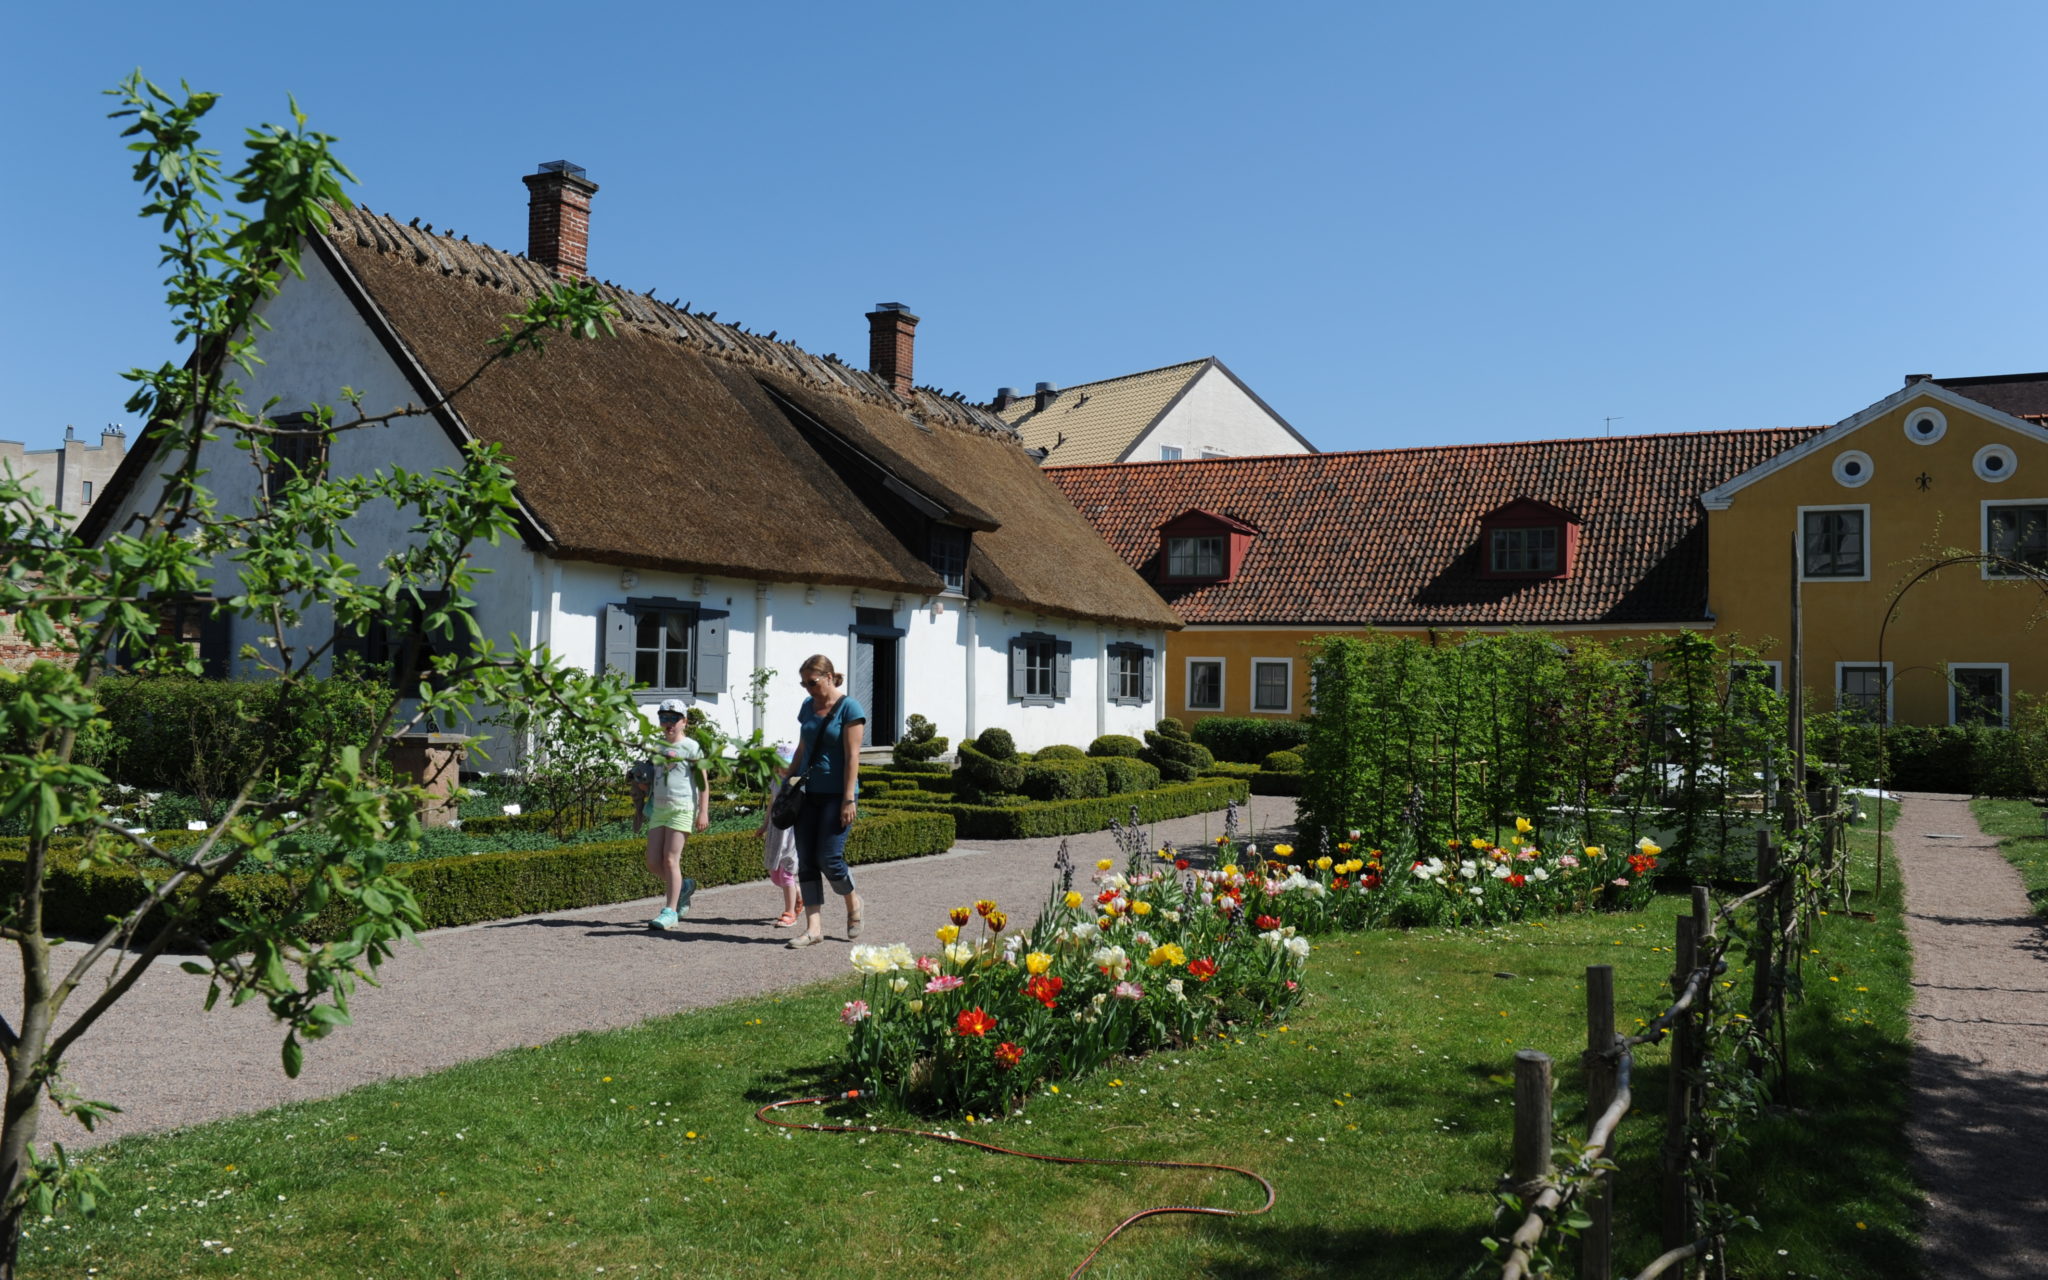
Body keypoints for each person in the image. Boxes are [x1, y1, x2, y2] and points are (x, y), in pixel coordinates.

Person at [782, 655, 865, 948]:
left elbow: (853, 756)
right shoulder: (808, 706)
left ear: (829, 676)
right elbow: (803, 746)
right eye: (804, 684)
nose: (808, 689)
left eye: (813, 682)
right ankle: (813, 929)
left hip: (836, 795)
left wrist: (848, 798)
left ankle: (853, 902)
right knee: (806, 860)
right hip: (807, 793)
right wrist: (787, 778)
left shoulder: (849, 708)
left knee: (829, 858)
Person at [637, 697, 708, 930]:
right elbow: (655, 779)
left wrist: (703, 812)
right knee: (652, 862)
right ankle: (684, 887)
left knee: (670, 859)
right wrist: (642, 784)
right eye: (663, 718)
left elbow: (703, 783)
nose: (668, 723)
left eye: (673, 719)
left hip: (682, 809)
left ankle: (670, 911)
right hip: (659, 808)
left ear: (684, 721)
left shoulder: (691, 747)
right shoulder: (657, 746)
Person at [757, 740, 800, 926]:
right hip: (776, 831)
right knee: (775, 875)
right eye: (780, 765)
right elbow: (771, 806)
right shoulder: (775, 782)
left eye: (787, 764)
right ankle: (799, 894)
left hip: (790, 833)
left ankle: (790, 913)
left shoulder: (797, 783)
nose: (783, 769)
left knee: (786, 873)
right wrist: (765, 825)